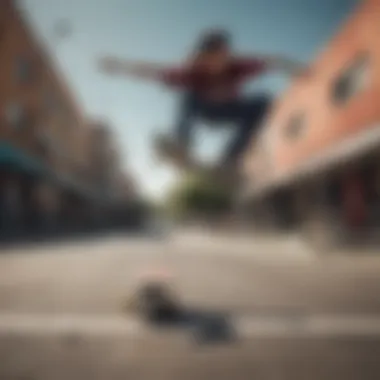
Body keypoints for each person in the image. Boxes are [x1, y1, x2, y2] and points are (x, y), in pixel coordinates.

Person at [98, 29, 310, 171]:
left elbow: (272, 61)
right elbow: (153, 72)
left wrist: (296, 68)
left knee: (263, 101)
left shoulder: (238, 66)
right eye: (211, 58)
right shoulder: (191, 73)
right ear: (203, 57)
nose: (217, 64)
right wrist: (120, 67)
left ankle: (231, 157)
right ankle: (182, 143)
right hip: (206, 113)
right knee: (188, 95)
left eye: (222, 57)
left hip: (232, 111)